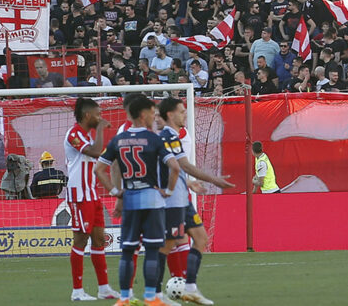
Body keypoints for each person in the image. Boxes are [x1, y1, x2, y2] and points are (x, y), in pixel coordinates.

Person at [96, 93, 175, 306]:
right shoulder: (153, 138)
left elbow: (99, 169)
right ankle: (151, 297)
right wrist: (168, 190)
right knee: (151, 250)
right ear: (142, 113)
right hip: (151, 198)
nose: (154, 116)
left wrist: (116, 193)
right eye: (151, 112)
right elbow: (174, 166)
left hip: (130, 198)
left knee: (128, 250)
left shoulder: (119, 138)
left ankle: (124, 298)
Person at [157, 96, 232, 306]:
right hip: (171, 201)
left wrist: (189, 184)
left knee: (200, 238)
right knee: (166, 246)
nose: (185, 115)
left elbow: (181, 168)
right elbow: (183, 166)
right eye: (181, 112)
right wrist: (213, 178)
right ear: (171, 115)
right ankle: (154, 294)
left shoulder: (174, 137)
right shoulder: (165, 137)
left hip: (183, 198)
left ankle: (190, 288)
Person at [65, 96, 115, 302]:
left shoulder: (85, 135)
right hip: (79, 194)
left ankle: (103, 288)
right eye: (98, 114)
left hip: (91, 193)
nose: (101, 117)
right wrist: (102, 129)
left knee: (99, 239)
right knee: (81, 239)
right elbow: (95, 153)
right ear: (87, 115)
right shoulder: (74, 134)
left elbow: (98, 153)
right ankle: (77, 291)